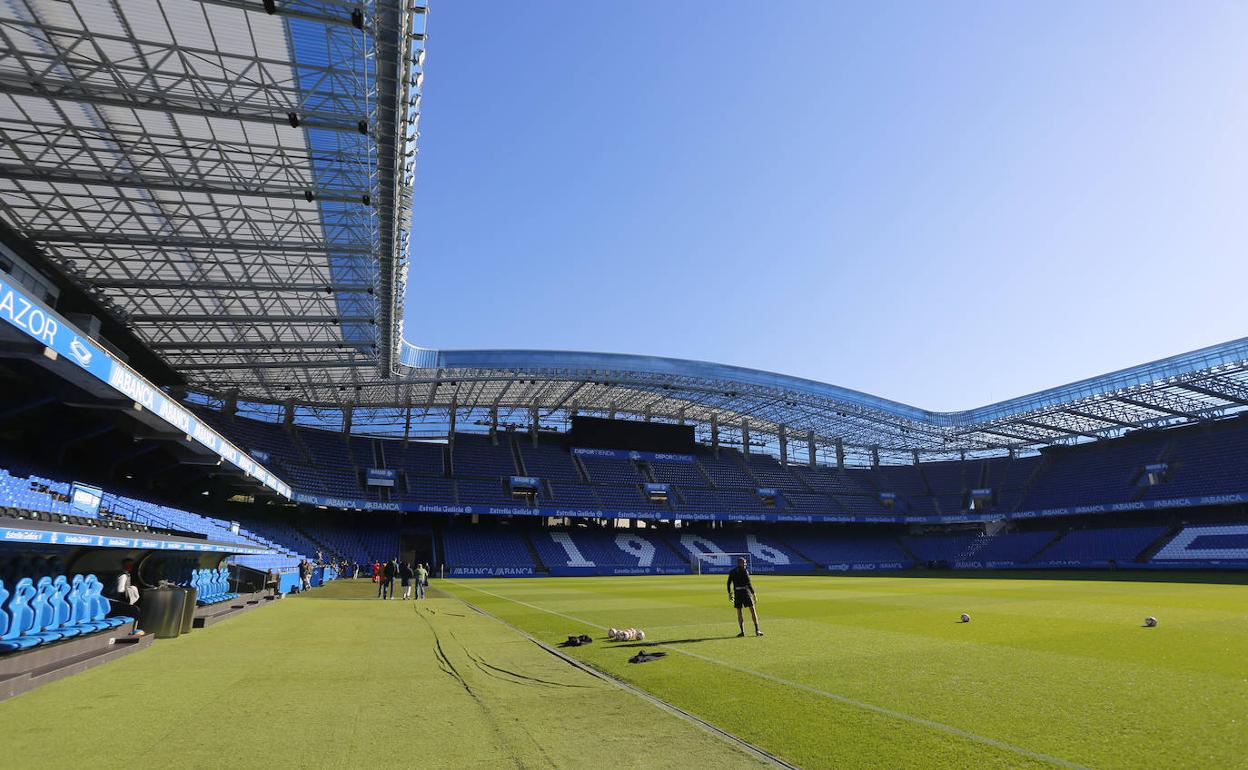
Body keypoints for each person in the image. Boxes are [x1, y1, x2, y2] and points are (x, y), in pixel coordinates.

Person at [726, 557, 762, 637]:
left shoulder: (732, 571)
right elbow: (748, 583)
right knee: (752, 610)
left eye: (745, 563)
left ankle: (742, 632)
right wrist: (753, 593)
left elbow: (728, 583)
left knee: (739, 612)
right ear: (739, 563)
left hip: (737, 593)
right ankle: (757, 630)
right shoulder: (745, 571)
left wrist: (729, 593)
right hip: (746, 592)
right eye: (744, 563)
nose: (745, 564)